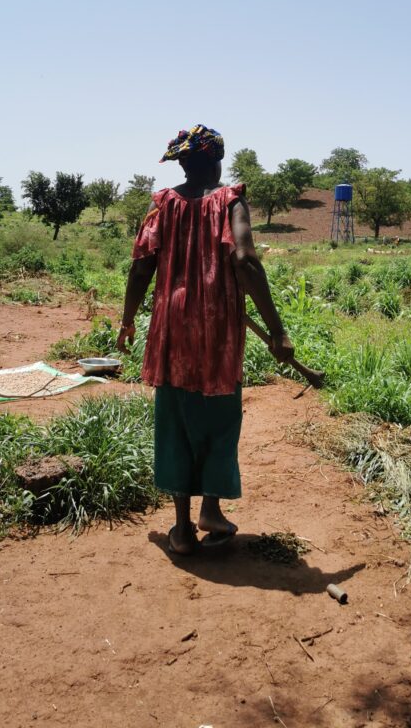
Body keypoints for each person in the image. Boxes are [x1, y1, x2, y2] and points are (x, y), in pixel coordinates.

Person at [117, 124, 294, 555]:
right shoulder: (229, 200)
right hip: (216, 330)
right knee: (219, 416)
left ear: (181, 162)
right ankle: (210, 507)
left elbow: (141, 267)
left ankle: (182, 528)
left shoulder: (163, 206)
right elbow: (245, 260)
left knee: (176, 420)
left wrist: (125, 321)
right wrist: (277, 329)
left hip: (172, 328)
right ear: (216, 160)